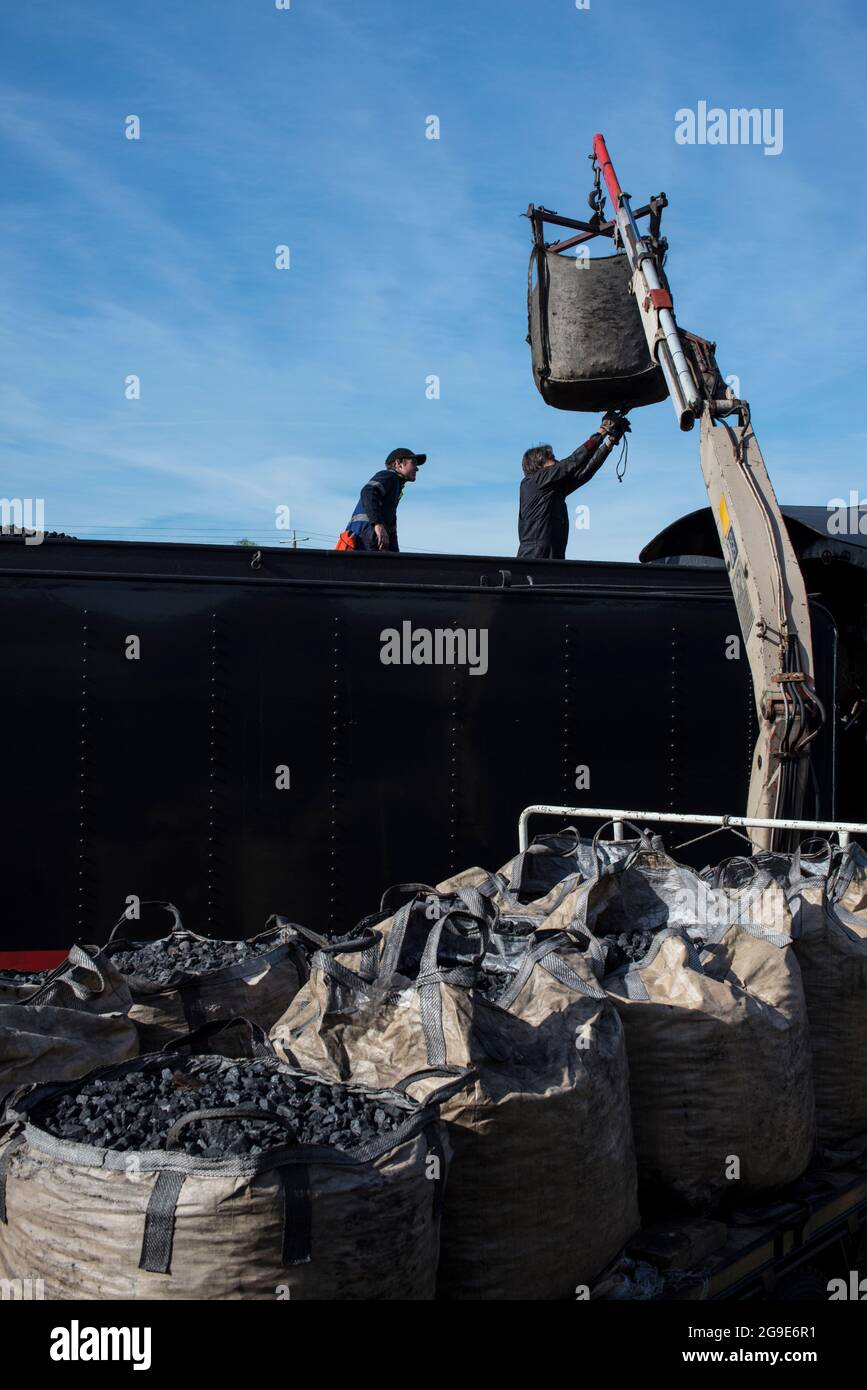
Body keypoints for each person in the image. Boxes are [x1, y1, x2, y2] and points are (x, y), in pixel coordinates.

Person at [516, 414, 630, 561]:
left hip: (552, 556)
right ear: (539, 466)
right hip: (534, 558)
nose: (557, 462)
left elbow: (584, 472)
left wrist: (610, 443)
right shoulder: (533, 482)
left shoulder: (551, 491)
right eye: (553, 460)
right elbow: (572, 463)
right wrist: (602, 432)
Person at [337, 448, 427, 553]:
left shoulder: (395, 486)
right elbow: (368, 491)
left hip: (368, 539)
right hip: (364, 538)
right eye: (413, 463)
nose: (417, 469)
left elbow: (391, 524)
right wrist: (377, 524)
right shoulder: (389, 476)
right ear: (398, 463)